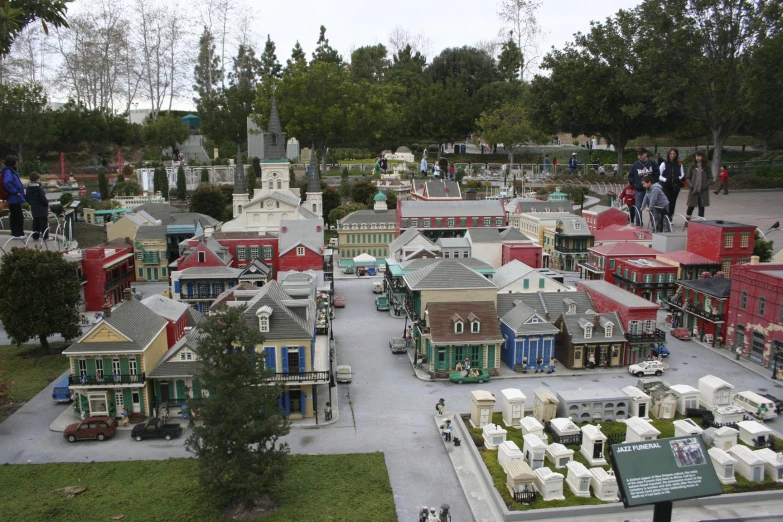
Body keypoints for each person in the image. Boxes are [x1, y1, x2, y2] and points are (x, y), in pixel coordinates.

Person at [628, 148, 659, 226]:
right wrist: (634, 184)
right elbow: (630, 176)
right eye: (638, 155)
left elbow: (657, 173)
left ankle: (654, 225)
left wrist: (653, 182)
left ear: (646, 154)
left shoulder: (652, 163)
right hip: (639, 190)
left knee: (652, 208)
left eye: (641, 154)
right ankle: (639, 224)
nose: (640, 156)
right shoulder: (635, 165)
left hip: (651, 190)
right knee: (638, 208)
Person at [1, 155, 27, 239]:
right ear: (12, 163)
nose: (17, 163)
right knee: (16, 216)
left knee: (18, 215)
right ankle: (17, 234)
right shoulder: (8, 171)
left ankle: (19, 233)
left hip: (15, 197)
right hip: (13, 197)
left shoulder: (10, 170)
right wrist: (15, 191)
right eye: (16, 161)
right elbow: (7, 182)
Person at [658, 148, 685, 221]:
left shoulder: (679, 164)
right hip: (666, 186)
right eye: (671, 154)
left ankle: (670, 218)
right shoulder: (664, 164)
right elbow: (659, 174)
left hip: (675, 186)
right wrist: (665, 179)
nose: (672, 155)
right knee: (666, 201)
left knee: (673, 202)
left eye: (674, 154)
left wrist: (678, 178)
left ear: (676, 155)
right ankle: (664, 217)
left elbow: (682, 174)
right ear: (668, 155)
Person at [685, 150, 712, 221]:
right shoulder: (692, 166)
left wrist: (706, 185)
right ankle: (687, 221)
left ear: (702, 157)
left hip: (703, 190)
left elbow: (710, 178)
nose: (697, 157)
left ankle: (700, 223)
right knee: (691, 206)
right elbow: (687, 177)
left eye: (699, 156)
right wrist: (690, 185)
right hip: (693, 190)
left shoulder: (706, 167)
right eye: (696, 156)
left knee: (701, 207)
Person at [25, 172, 50, 240]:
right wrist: (46, 204)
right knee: (44, 223)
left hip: (34, 207)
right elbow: (42, 198)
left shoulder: (28, 188)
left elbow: (27, 197)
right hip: (41, 207)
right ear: (37, 179)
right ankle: (45, 237)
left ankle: (35, 236)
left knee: (35, 222)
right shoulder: (39, 188)